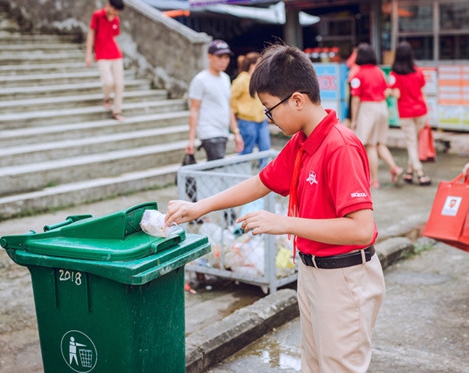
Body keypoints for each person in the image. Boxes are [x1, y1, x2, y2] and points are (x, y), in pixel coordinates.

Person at [166, 43, 385, 373]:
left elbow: (360, 229)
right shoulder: (302, 142)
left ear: (297, 99)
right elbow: (261, 182)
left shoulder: (339, 145)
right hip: (312, 271)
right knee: (315, 365)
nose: (268, 119)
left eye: (270, 109)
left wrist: (285, 223)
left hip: (344, 276)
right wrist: (199, 206)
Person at [350, 42, 403, 188]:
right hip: (382, 108)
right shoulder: (379, 71)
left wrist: (354, 120)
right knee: (380, 143)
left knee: (370, 146)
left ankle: (375, 180)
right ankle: (394, 168)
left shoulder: (358, 74)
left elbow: (355, 99)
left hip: (368, 109)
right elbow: (387, 90)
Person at [187, 39, 243, 161]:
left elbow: (228, 106)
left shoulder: (225, 78)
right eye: (219, 57)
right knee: (217, 167)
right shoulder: (200, 80)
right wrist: (191, 140)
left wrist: (236, 133)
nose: (224, 61)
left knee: (215, 169)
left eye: (226, 57)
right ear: (209, 57)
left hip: (223, 131)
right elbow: (194, 110)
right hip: (209, 131)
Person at [389, 41, 432, 186]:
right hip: (421, 111)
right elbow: (422, 92)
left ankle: (420, 173)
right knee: (414, 143)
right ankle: (409, 172)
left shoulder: (394, 74)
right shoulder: (418, 71)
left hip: (406, 113)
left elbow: (397, 94)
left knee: (411, 143)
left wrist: (389, 91)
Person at [85, 0, 125, 122]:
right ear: (109, 6)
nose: (116, 13)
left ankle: (117, 111)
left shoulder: (116, 19)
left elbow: (113, 36)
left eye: (118, 12)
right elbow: (91, 34)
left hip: (115, 54)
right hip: (101, 54)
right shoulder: (97, 15)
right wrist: (88, 54)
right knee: (108, 82)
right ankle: (107, 98)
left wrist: (119, 51)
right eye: (114, 10)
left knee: (119, 84)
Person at [230, 52, 271, 169]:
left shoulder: (259, 79)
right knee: (246, 150)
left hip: (261, 120)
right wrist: (236, 113)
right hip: (247, 121)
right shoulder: (241, 80)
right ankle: (239, 172)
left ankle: (266, 178)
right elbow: (232, 100)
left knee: (266, 149)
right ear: (251, 65)